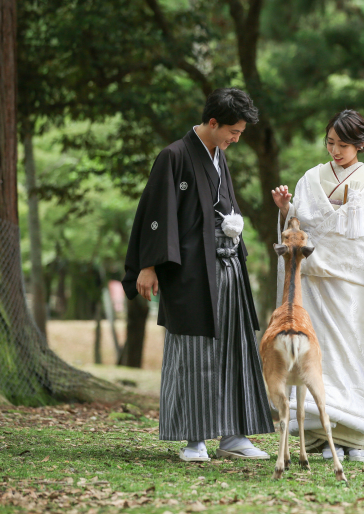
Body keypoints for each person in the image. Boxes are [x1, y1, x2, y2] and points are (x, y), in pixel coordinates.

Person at [122, 88, 273, 462]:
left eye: (240, 134)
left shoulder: (220, 158)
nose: (236, 139)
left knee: (236, 349)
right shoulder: (173, 156)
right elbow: (156, 214)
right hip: (190, 272)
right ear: (212, 122)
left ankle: (235, 435)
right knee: (193, 352)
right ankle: (195, 439)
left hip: (227, 267)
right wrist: (148, 264)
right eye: (233, 132)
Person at [270, 109, 364, 462]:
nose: (335, 151)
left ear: (362, 145)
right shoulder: (311, 177)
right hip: (315, 282)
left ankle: (355, 437)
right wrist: (286, 208)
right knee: (318, 358)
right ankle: (317, 437)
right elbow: (296, 225)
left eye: (343, 145)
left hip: (354, 288)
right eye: (330, 143)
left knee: (354, 357)